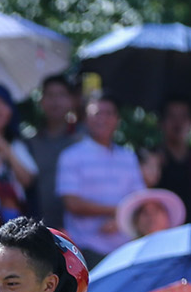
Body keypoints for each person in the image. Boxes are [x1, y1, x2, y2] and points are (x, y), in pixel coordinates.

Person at [56, 92, 144, 257]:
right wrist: (119, 212)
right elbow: (72, 203)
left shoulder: (128, 156)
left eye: (109, 113)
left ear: (117, 119)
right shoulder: (71, 156)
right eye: (97, 113)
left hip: (126, 250)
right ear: (86, 118)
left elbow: (139, 200)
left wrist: (120, 219)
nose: (102, 119)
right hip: (85, 250)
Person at [27, 74, 83, 230]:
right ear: (41, 101)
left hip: (77, 230)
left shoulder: (83, 140)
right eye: (50, 95)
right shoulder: (30, 142)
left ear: (71, 101)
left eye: (61, 95)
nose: (55, 102)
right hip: (39, 227)